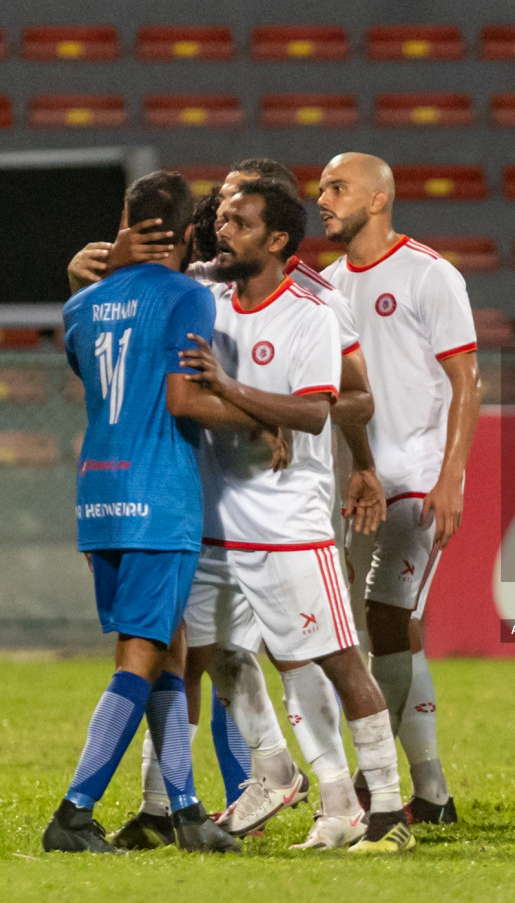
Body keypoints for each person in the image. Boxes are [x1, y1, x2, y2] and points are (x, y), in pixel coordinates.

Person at [172, 177, 417, 855]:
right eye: (220, 219)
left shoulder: (309, 312)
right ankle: (275, 770)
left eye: (238, 222)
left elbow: (315, 411)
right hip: (218, 514)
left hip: (288, 523)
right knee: (216, 652)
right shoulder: (207, 297)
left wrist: (234, 392)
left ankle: (387, 814)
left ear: (277, 240)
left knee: (333, 658)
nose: (221, 231)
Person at [45, 171, 245, 854]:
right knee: (142, 651)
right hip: (159, 494)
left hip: (98, 493)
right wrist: (262, 416)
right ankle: (73, 814)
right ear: (188, 231)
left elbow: (98, 376)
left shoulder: (80, 305)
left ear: (125, 224)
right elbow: (182, 396)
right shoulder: (189, 297)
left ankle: (185, 811)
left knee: (165, 646)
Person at [317, 152, 483, 826]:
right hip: (359, 482)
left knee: (384, 619)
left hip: (417, 479)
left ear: (379, 198)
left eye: (337, 187)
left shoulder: (429, 274)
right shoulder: (326, 287)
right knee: (393, 632)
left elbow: (468, 381)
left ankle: (370, 779)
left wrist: (450, 478)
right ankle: (432, 793)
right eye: (321, 188)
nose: (322, 199)